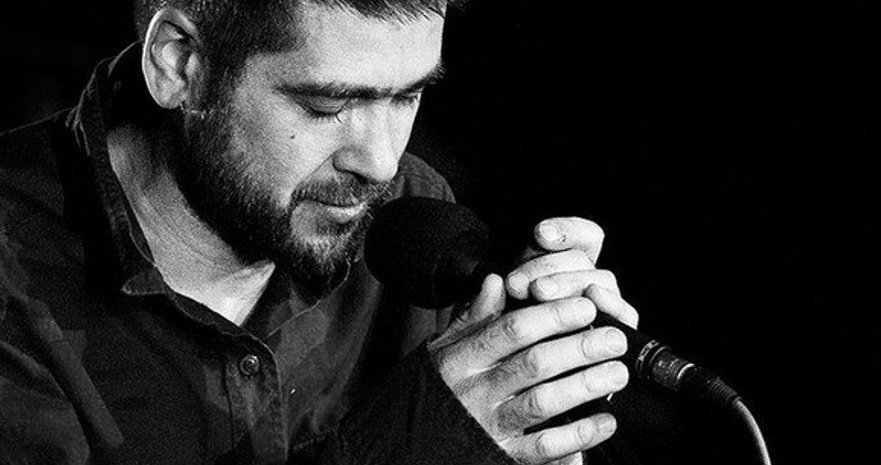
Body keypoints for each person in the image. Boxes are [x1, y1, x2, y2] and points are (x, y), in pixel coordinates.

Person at [0, 1, 640, 463]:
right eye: (326, 106)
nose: (380, 163)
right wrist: (412, 445)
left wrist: (533, 380)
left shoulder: (410, 207)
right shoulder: (12, 271)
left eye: (407, 98)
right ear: (181, 63)